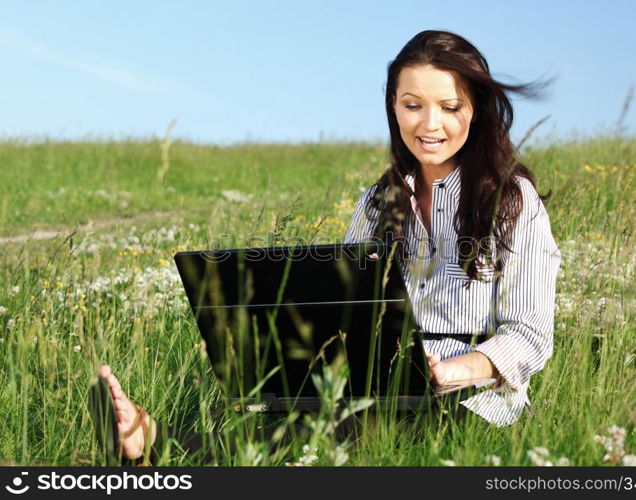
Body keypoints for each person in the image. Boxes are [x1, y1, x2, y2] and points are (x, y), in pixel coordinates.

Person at [95, 29, 561, 462]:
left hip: (474, 401)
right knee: (293, 418)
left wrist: (451, 371)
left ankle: (157, 444)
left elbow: (531, 337)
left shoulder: (511, 201)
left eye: (450, 106)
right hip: (372, 391)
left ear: (474, 109)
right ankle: (159, 442)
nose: (429, 123)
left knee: (346, 437)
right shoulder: (379, 203)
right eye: (412, 105)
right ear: (393, 107)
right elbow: (348, 308)